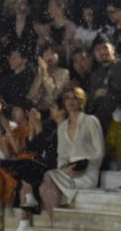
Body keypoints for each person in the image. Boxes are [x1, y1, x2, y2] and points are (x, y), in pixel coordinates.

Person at [39, 88, 104, 223]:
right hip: (69, 169)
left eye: (74, 98)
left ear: (81, 101)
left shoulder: (91, 121)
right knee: (44, 186)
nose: (70, 101)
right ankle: (54, 222)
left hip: (88, 169)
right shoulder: (62, 127)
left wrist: (84, 166)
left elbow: (100, 152)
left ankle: (54, 223)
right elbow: (62, 155)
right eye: (67, 98)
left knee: (47, 178)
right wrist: (64, 168)